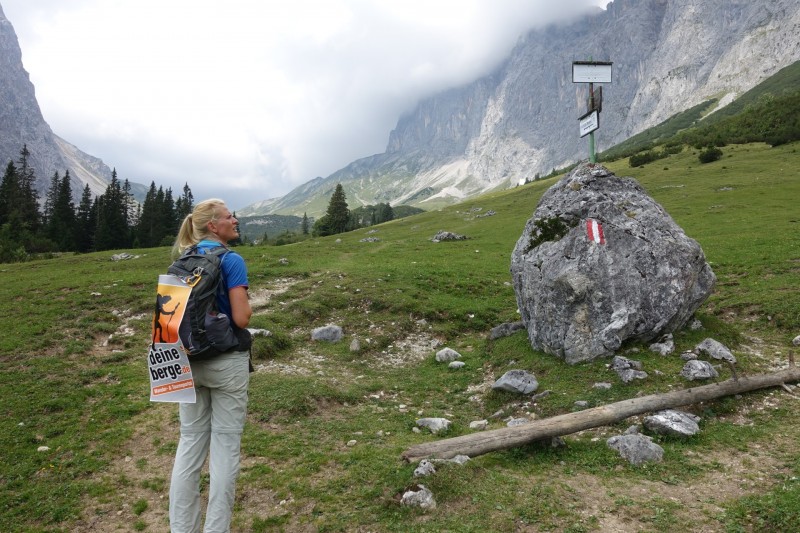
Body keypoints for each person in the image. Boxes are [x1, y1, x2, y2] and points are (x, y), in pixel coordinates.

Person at [168, 199, 252, 533]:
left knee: (189, 445)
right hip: (226, 363)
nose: (235, 220)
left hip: (187, 361)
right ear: (214, 226)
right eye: (230, 216)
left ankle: (181, 529)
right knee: (225, 447)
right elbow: (241, 318)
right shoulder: (232, 260)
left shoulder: (182, 261)